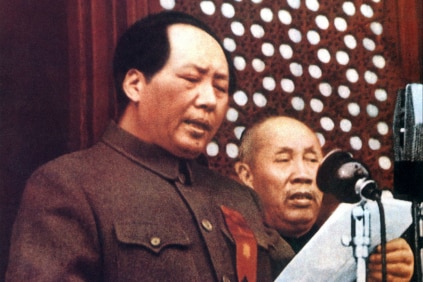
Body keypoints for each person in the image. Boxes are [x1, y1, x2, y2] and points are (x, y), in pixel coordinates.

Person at [6, 11, 294, 281]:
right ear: (135, 84)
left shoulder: (242, 200)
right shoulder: (69, 186)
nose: (209, 100)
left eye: (220, 87)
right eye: (191, 79)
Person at [235, 115, 415, 281]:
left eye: (312, 160)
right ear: (247, 175)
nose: (303, 174)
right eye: (283, 159)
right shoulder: (225, 246)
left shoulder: (349, 249)